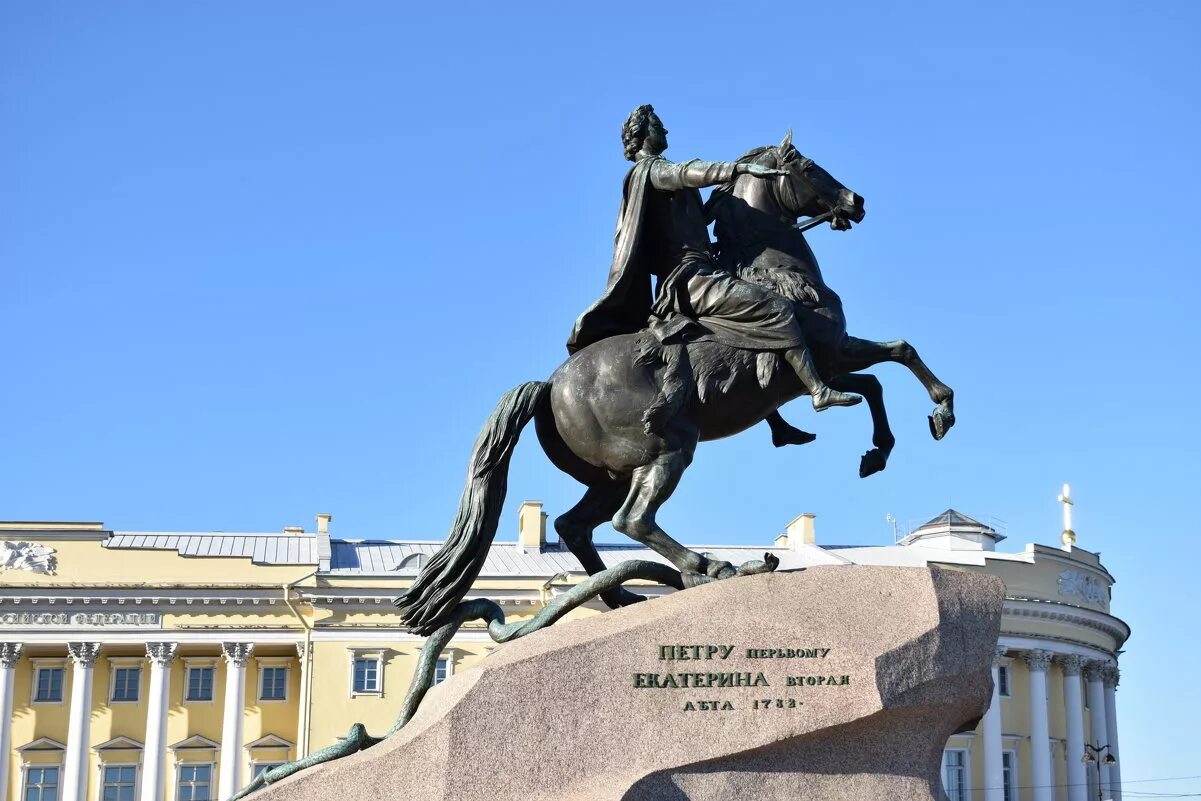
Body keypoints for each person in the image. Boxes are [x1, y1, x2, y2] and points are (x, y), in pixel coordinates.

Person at [567, 104, 860, 414]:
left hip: (699, 270)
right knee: (775, 307)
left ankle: (773, 414)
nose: (664, 131)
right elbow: (686, 173)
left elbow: (694, 221)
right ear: (641, 136)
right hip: (691, 279)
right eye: (658, 126)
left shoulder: (662, 180)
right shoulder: (651, 171)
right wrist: (739, 169)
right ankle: (817, 390)